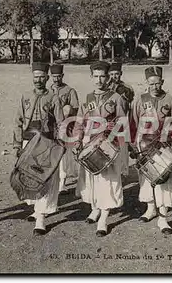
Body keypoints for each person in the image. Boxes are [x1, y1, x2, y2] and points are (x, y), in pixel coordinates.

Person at [73, 61, 128, 237]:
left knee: (107, 180)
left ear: (107, 77)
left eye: (102, 76)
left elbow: (122, 122)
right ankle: (94, 208)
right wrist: (78, 140)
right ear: (91, 77)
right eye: (95, 76)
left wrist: (110, 139)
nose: (99, 80)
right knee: (91, 178)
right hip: (90, 141)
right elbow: (80, 121)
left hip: (108, 143)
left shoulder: (116, 97)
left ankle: (104, 218)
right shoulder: (88, 97)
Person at [12, 62, 65, 236]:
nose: (39, 80)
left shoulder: (53, 97)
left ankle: (41, 218)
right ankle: (36, 209)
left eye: (42, 77)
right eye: (36, 77)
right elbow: (18, 121)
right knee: (29, 177)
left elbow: (61, 123)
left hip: (46, 143)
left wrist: (60, 143)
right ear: (32, 78)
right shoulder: (25, 95)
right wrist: (17, 145)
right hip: (29, 141)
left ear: (47, 78)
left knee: (44, 178)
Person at [130, 66, 172, 235]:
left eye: (158, 83)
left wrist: (167, 132)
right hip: (143, 145)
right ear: (147, 83)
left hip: (163, 146)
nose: (155, 87)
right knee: (146, 179)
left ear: (162, 82)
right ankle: (150, 209)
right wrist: (133, 144)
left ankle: (163, 217)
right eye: (151, 84)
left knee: (164, 179)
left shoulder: (171, 100)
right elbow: (133, 123)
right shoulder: (139, 100)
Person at [49, 63, 80, 195]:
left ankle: (62, 183)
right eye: (53, 77)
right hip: (51, 127)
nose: (56, 79)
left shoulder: (69, 91)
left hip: (64, 126)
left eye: (58, 76)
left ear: (62, 76)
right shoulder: (48, 90)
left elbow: (75, 109)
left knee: (62, 156)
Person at [108, 62, 134, 177]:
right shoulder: (105, 86)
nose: (114, 77)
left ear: (121, 74)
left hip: (123, 122)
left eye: (117, 74)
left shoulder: (127, 88)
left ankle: (123, 173)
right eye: (112, 74)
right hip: (109, 123)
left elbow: (128, 102)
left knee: (122, 149)